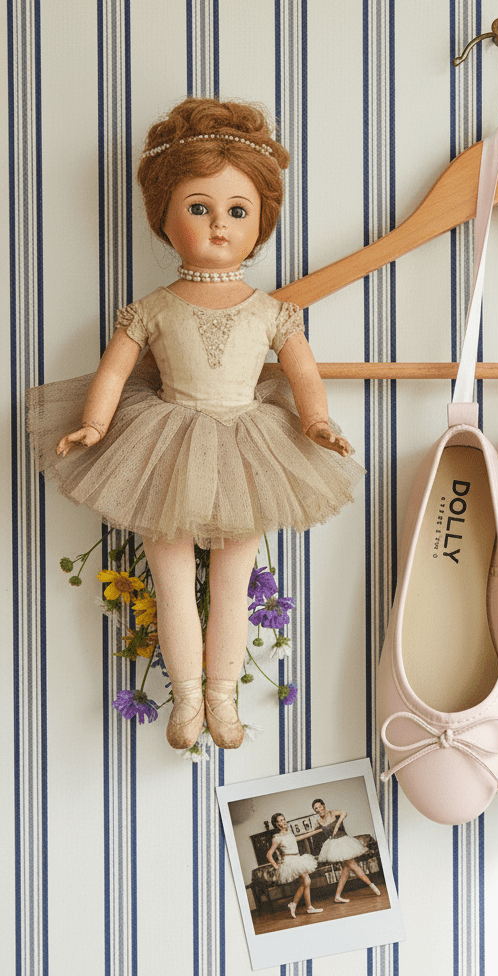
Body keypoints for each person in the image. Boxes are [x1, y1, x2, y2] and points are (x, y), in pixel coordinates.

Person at [26, 97, 363, 751]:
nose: (217, 226)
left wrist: (317, 422)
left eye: (237, 211)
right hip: (164, 442)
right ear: (164, 217)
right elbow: (114, 375)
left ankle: (223, 701)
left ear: (261, 221)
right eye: (198, 207)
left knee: (233, 585)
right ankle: (185, 702)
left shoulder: (270, 311)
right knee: (171, 580)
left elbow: (302, 378)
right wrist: (95, 426)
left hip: (249, 447)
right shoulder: (152, 308)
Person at [311, 798, 381, 902]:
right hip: (334, 845)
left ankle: (337, 896)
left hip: (344, 841)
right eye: (315, 808)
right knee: (352, 865)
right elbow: (313, 832)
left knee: (346, 868)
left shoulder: (333, 813)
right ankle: (372, 886)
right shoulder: (318, 821)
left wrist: (337, 825)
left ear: (324, 806)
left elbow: (344, 813)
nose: (318, 809)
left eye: (319, 807)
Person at [266, 812, 322, 919]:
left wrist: (317, 831)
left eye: (283, 819)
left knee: (305, 882)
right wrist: (276, 867)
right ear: (276, 824)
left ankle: (298, 905)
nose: (282, 822)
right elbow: (269, 854)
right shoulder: (276, 837)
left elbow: (300, 837)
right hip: (290, 860)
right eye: (279, 821)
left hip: (298, 858)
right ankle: (306, 906)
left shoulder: (290, 833)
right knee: (307, 881)